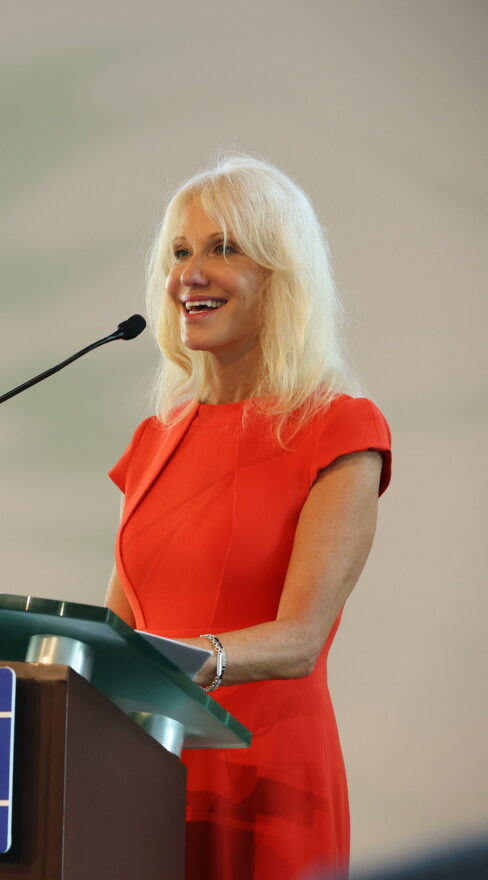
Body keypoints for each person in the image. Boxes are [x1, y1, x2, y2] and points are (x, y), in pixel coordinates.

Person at [106, 153, 391, 880]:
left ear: (280, 275)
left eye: (223, 249)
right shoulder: (153, 442)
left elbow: (300, 640)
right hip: (148, 775)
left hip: (267, 781)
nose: (190, 275)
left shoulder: (339, 429)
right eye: (179, 253)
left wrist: (174, 663)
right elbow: (116, 630)